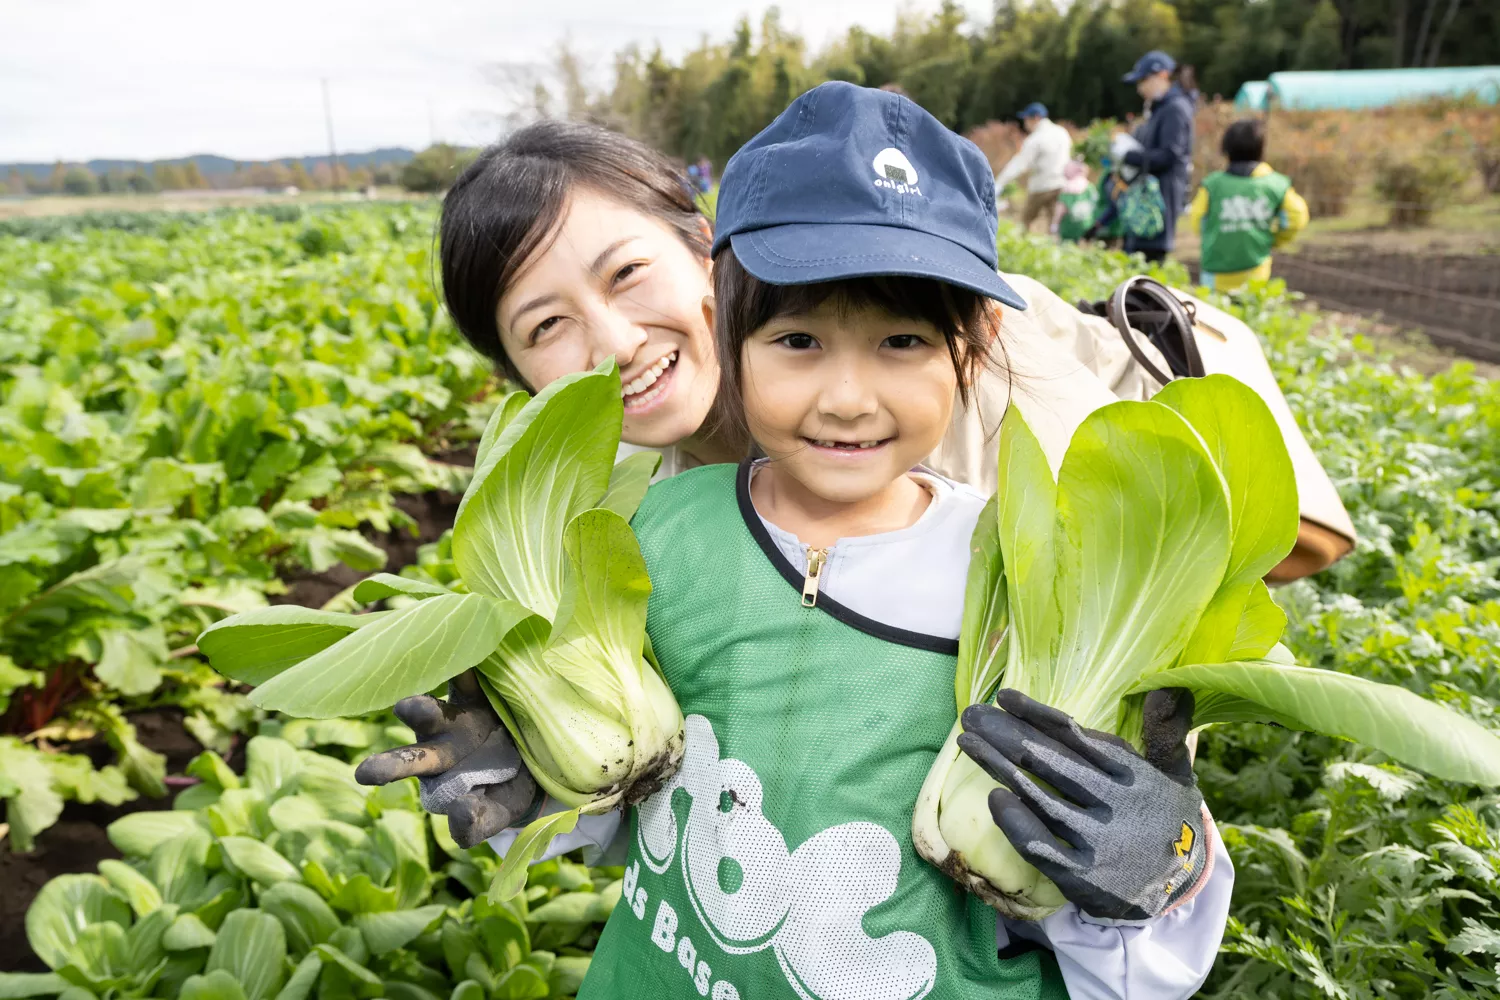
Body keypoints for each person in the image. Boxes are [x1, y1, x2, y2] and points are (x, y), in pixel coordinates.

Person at [366, 84, 1231, 1000]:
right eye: (545, 326)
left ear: (707, 267)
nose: (613, 343)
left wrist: (1162, 863)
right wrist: (536, 774)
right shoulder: (651, 533)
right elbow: (677, 812)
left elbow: (1123, 848)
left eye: (625, 275)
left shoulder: (1014, 554)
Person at [1186, 117, 1309, 292]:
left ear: (1226, 150)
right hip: (1256, 268)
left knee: (1215, 315)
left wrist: (1213, 236)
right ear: (1262, 149)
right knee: (1251, 312)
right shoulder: (1275, 184)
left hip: (1216, 270)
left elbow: (1198, 220)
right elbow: (1297, 217)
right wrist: (1274, 240)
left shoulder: (1212, 185)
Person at [1106, 50, 1195, 262]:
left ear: (1162, 76)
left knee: (1149, 265)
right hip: (1145, 199)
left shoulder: (1175, 108)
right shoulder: (1160, 109)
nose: (1140, 88)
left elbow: (1168, 156)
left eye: (1144, 80)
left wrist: (1129, 156)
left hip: (1158, 202)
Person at [994, 102, 1073, 235]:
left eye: (1026, 119)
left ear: (1036, 118)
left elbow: (1018, 164)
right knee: (1054, 224)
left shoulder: (1036, 139)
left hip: (1042, 186)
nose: (1025, 123)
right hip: (1061, 184)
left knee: (1025, 222)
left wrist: (999, 183)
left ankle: (1021, 247)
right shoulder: (1062, 132)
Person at [1055, 159, 1098, 243]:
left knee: (1067, 249)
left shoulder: (1068, 188)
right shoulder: (1090, 187)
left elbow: (1061, 209)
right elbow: (1095, 205)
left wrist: (1055, 224)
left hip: (1069, 226)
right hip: (1087, 225)